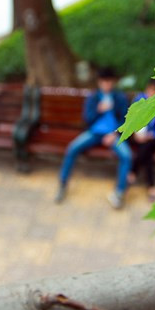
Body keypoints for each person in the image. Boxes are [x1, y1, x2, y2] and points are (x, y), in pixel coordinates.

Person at [55, 67, 131, 209]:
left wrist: (114, 133)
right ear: (99, 82)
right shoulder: (93, 97)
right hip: (94, 133)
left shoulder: (120, 97)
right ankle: (63, 184)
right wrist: (98, 110)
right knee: (72, 148)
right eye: (104, 82)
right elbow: (87, 119)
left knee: (126, 156)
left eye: (109, 82)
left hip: (112, 134)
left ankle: (119, 193)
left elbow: (126, 120)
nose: (106, 85)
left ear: (113, 82)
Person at [128, 79, 155, 202]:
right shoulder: (139, 99)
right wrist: (135, 132)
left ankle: (133, 172)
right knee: (147, 151)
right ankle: (152, 186)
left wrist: (152, 135)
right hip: (139, 136)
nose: (150, 92)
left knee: (146, 147)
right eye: (149, 89)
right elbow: (131, 118)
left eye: (153, 90)